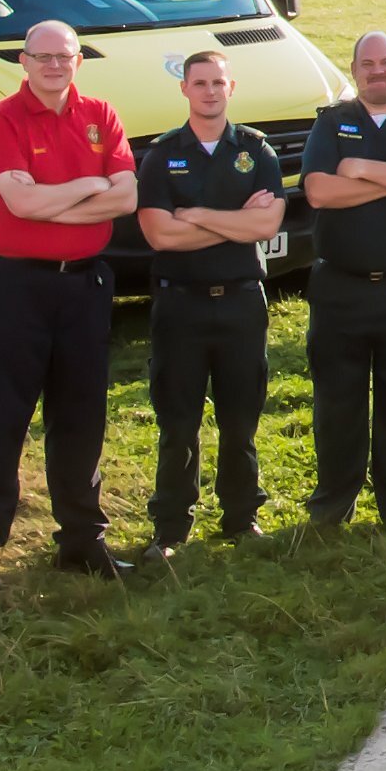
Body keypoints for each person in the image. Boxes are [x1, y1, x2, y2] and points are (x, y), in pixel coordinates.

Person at [0, 16, 135, 590]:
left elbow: (126, 197)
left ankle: (82, 542)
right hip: (17, 288)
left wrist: (56, 200)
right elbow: (19, 203)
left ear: (78, 61)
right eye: (43, 56)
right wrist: (90, 187)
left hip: (85, 286)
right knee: (1, 419)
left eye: (65, 56)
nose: (54, 66)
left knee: (81, 418)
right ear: (23, 61)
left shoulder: (102, 116)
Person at [132, 47, 285, 555]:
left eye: (219, 82)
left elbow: (265, 226)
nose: (210, 91)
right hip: (181, 306)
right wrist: (231, 222)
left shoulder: (257, 151)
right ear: (184, 90)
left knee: (240, 419)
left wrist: (194, 214)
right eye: (200, 83)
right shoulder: (162, 154)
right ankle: (171, 528)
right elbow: (159, 236)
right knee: (178, 423)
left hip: (242, 302)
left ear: (231, 88)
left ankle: (241, 519)